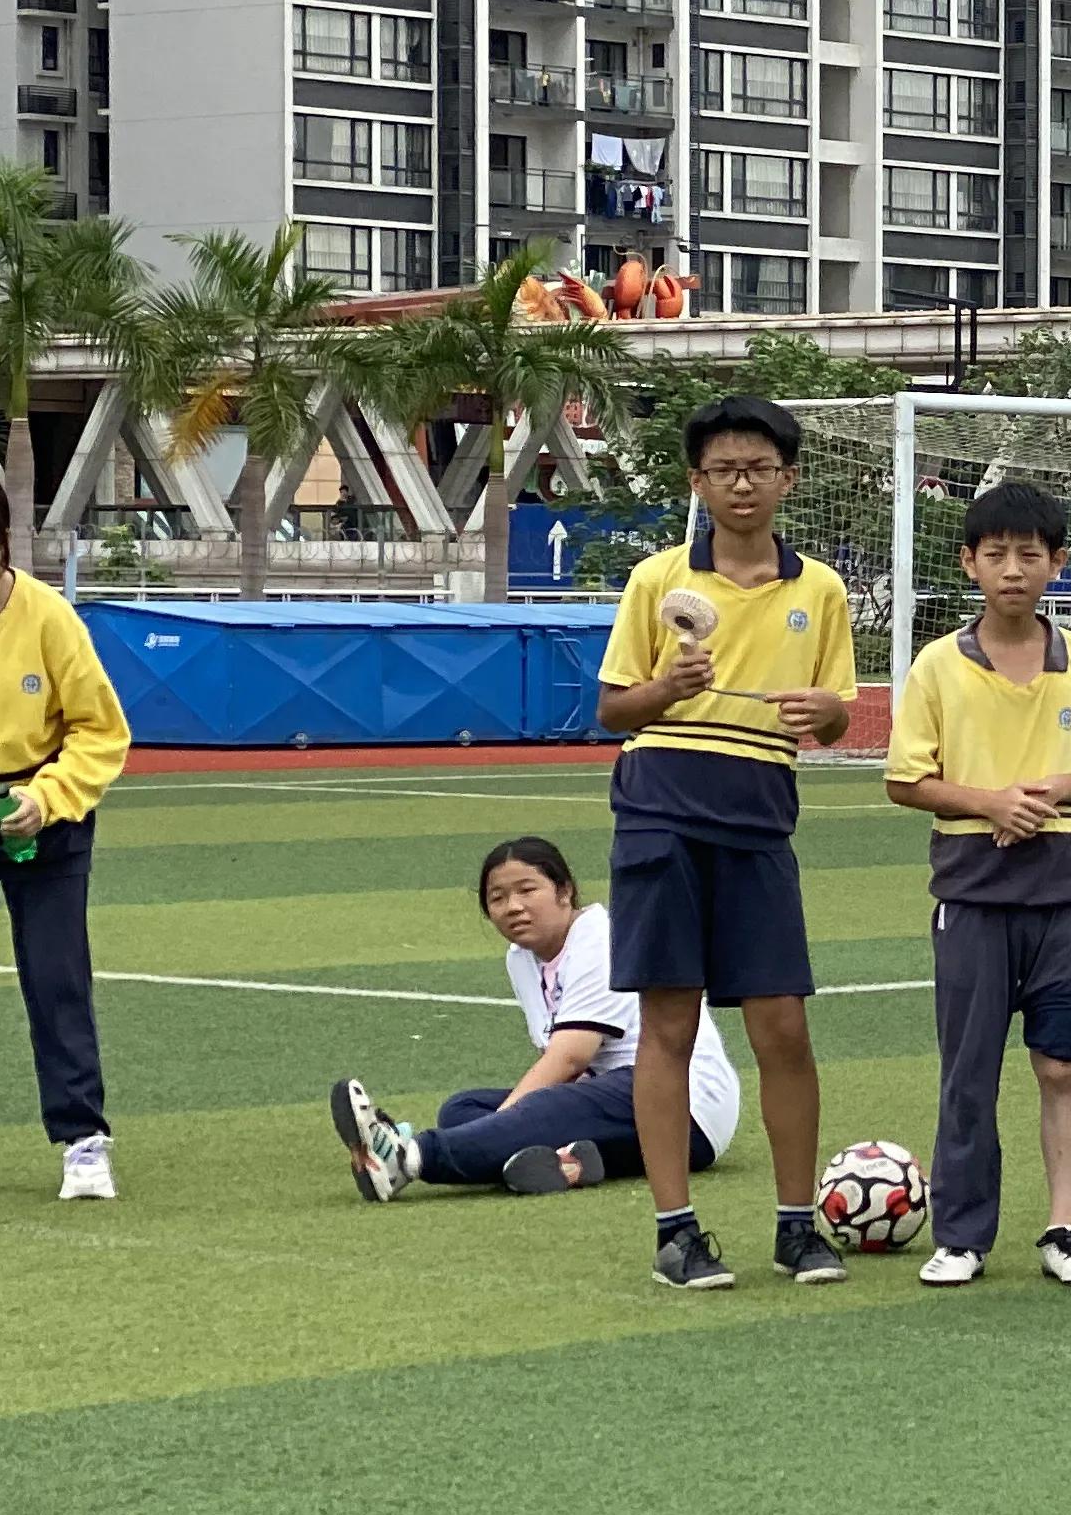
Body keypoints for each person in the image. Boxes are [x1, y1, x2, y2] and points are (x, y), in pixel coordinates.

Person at [595, 396, 863, 1290]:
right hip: (661, 809)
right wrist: (666, 688)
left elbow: (835, 716)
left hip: (759, 817)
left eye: (758, 469)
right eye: (723, 471)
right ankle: (676, 1233)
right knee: (669, 1022)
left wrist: (826, 713)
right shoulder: (658, 580)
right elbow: (613, 710)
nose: (742, 485)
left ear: (789, 479)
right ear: (696, 482)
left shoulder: (819, 589)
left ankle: (796, 1226)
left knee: (782, 1026)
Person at [884, 483, 1071, 1288]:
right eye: (997, 555)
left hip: (1063, 897)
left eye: (1031, 554)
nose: (1014, 570)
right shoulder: (938, 665)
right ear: (969, 563)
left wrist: (1048, 792)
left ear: (1058, 563)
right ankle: (961, 1236)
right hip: (974, 896)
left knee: (1062, 1064)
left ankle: (1065, 1230)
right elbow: (906, 779)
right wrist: (991, 802)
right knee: (969, 1071)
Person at [331, 838, 737, 1198]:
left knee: (540, 1106)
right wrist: (510, 1126)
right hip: (621, 1108)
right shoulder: (521, 959)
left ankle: (408, 1158)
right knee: (462, 1108)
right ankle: (568, 1164)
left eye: (527, 890)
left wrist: (509, 1123)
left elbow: (570, 1058)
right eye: (497, 898)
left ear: (565, 891)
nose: (513, 907)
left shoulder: (601, 938)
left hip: (685, 1107)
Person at [0, 463, 129, 1198]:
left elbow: (101, 731)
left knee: (57, 984)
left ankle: (83, 1141)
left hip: (40, 823)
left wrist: (48, 797)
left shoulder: (49, 618)